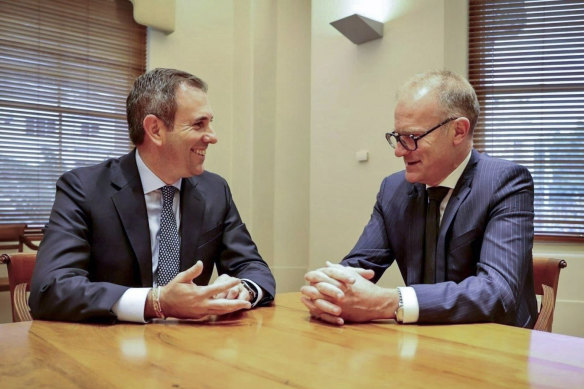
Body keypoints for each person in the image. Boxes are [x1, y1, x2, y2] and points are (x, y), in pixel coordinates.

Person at [29, 68, 276, 322]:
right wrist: (155, 302)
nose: (212, 136)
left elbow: (254, 268)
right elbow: (49, 290)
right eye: (199, 124)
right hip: (108, 348)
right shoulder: (83, 189)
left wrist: (243, 289)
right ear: (155, 130)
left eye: (210, 123)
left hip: (193, 347)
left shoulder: (215, 190)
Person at [301, 70, 537, 328]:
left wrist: (389, 302)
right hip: (419, 342)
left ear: (458, 131)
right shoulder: (394, 189)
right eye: (397, 138)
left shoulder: (505, 182)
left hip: (495, 346)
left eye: (411, 138)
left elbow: (497, 292)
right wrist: (329, 290)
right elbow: (359, 267)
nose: (400, 151)